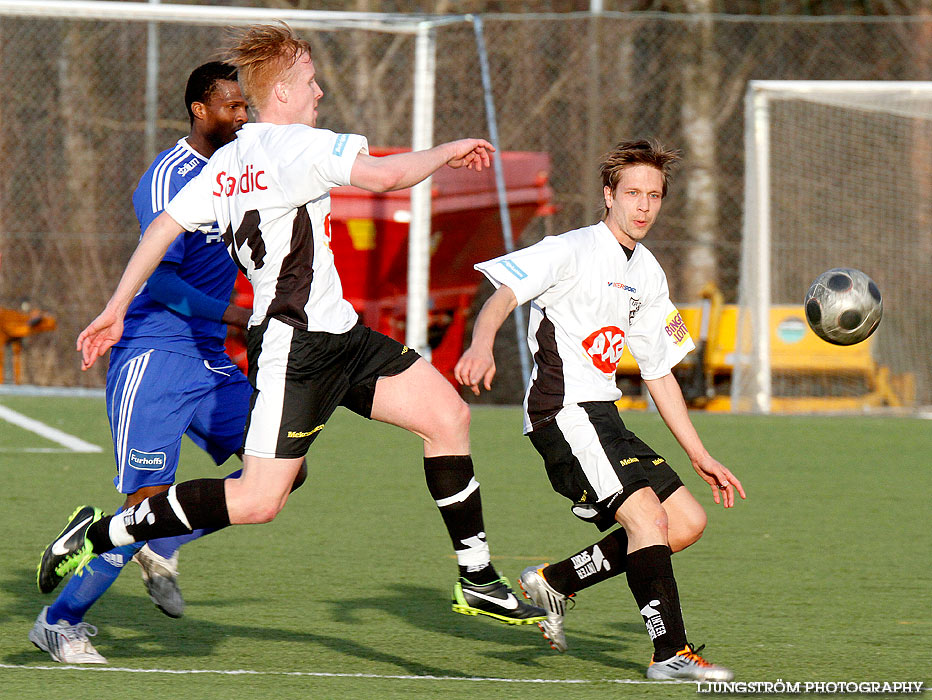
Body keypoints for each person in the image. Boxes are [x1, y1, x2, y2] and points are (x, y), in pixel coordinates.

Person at [37, 22, 545, 637]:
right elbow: (384, 177)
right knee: (259, 501)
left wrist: (116, 304)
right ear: (282, 93)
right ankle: (105, 532)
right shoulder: (294, 145)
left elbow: (162, 228)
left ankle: (476, 577)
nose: (320, 92)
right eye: (310, 81)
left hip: (343, 338)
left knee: (448, 416)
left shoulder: (228, 162)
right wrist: (448, 150)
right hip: (295, 348)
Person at [30, 61, 310, 664]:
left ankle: (164, 535)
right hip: (154, 356)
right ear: (199, 111)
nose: (242, 115)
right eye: (231, 106)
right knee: (143, 503)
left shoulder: (243, 168)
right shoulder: (169, 178)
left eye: (245, 106)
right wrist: (243, 318)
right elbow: (162, 286)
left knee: (285, 470)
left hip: (210, 361)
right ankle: (58, 623)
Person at [453, 140, 746, 681]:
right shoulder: (570, 249)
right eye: (632, 193)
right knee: (647, 518)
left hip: (604, 416)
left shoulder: (650, 273)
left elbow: (659, 370)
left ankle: (557, 581)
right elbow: (502, 294)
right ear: (608, 195)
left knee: (684, 522)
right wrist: (481, 343)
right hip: (562, 412)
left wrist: (700, 454)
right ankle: (670, 655)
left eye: (654, 196)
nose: (643, 206)